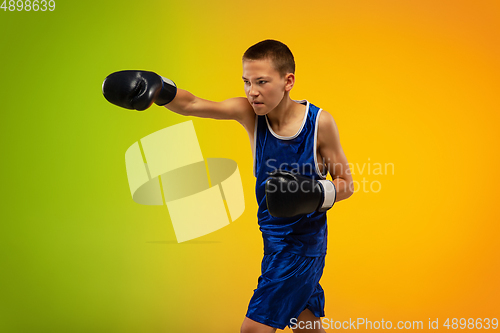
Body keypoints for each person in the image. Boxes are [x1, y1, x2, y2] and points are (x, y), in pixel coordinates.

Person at [102, 39, 354, 333]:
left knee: (253, 329)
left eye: (262, 82)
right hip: (273, 241)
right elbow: (194, 104)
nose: (252, 91)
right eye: (247, 82)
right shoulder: (250, 113)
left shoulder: (319, 123)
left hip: (301, 247)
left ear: (289, 81)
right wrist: (160, 88)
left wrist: (316, 193)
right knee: (306, 326)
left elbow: (346, 183)